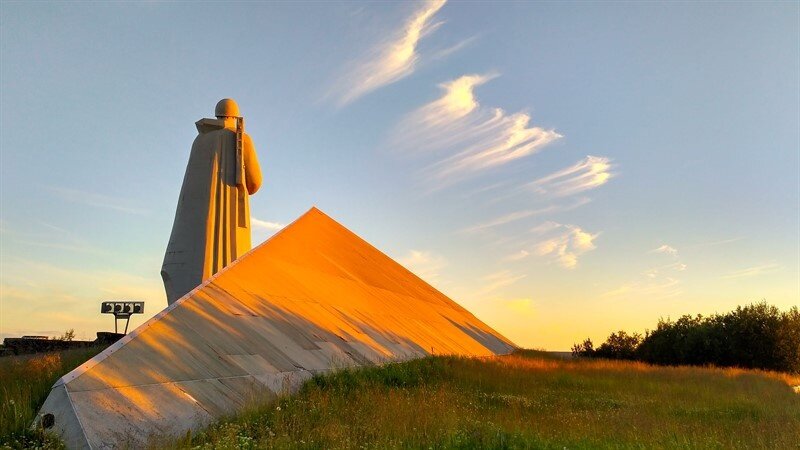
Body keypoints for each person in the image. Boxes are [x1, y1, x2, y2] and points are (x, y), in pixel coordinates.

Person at [161, 98, 262, 304]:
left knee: (198, 268)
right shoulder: (241, 138)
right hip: (231, 222)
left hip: (194, 231)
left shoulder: (199, 141)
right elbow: (255, 183)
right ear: (235, 117)